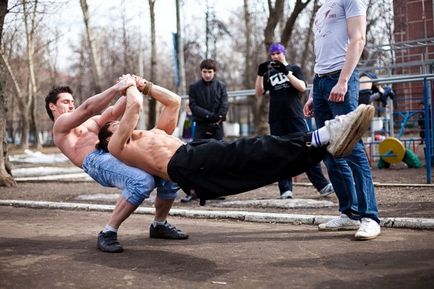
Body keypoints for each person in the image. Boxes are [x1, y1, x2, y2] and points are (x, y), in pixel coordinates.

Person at [97, 78, 375, 211]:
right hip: (184, 165)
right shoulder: (117, 147)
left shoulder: (154, 133)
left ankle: (324, 143)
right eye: (113, 125)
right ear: (109, 136)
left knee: (261, 165)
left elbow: (174, 101)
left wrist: (144, 85)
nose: (119, 123)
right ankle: (325, 136)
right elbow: (133, 107)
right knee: (252, 149)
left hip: (193, 159)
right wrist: (129, 86)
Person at [45, 76, 188, 253]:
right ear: (53, 106)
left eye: (72, 101)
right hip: (95, 161)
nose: (71, 105)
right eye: (66, 102)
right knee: (142, 181)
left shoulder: (91, 123)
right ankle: (108, 232)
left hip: (114, 152)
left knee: (167, 170)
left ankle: (159, 225)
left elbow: (113, 112)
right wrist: (115, 88)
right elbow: (87, 108)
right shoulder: (60, 125)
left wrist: (130, 85)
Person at [303, 0, 381, 240]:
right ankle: (348, 213)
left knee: (352, 148)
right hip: (321, 81)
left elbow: (358, 39)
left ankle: (370, 217)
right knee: (330, 151)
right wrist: (313, 94)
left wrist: (344, 80)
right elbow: (322, 53)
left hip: (341, 77)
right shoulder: (322, 7)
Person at [256, 42, 334, 199]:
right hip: (276, 118)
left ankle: (322, 185)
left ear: (284, 53)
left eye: (278, 53)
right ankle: (285, 190)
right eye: (273, 54)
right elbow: (259, 92)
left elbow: (302, 88)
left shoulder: (294, 69)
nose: (275, 56)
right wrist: (260, 74)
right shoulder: (269, 74)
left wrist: (286, 73)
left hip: (295, 116)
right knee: (280, 153)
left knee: (307, 149)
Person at [182, 58, 229, 202]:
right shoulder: (194, 87)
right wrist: (209, 117)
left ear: (214, 72)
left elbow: (224, 105)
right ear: (201, 72)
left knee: (218, 159)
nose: (207, 74)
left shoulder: (221, 86)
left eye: (210, 71)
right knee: (197, 159)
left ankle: (216, 190)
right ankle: (194, 191)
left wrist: (216, 120)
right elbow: (194, 106)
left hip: (217, 127)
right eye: (204, 71)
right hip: (201, 127)